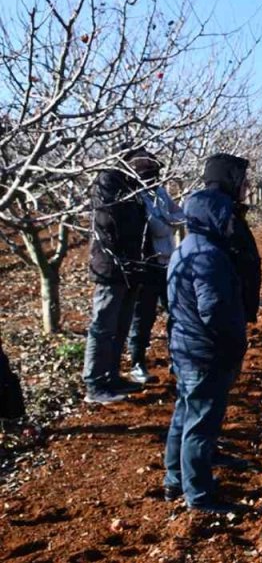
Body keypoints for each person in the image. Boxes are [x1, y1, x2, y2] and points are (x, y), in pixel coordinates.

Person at [162, 188, 247, 513]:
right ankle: (198, 496)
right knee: (201, 425)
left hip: (186, 347)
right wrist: (230, 342)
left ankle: (174, 479)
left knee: (184, 414)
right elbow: (212, 308)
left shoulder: (186, 248)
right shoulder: (208, 256)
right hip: (204, 352)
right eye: (225, 216)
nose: (229, 224)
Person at [82, 151, 151, 404]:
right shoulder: (108, 181)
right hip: (111, 267)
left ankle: (111, 375)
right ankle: (95, 383)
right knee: (103, 325)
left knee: (121, 324)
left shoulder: (130, 186)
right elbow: (111, 223)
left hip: (130, 266)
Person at [125, 153, 185, 385]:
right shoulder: (136, 198)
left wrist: (168, 219)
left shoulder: (159, 193)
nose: (155, 180)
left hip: (167, 264)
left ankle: (176, 358)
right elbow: (159, 227)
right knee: (143, 317)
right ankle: (137, 362)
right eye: (150, 176)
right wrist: (169, 220)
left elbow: (179, 215)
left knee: (176, 312)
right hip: (147, 265)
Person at [202, 154, 262, 325]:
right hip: (225, 318)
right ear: (230, 182)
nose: (248, 185)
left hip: (234, 312)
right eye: (243, 181)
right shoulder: (222, 221)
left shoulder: (229, 215)